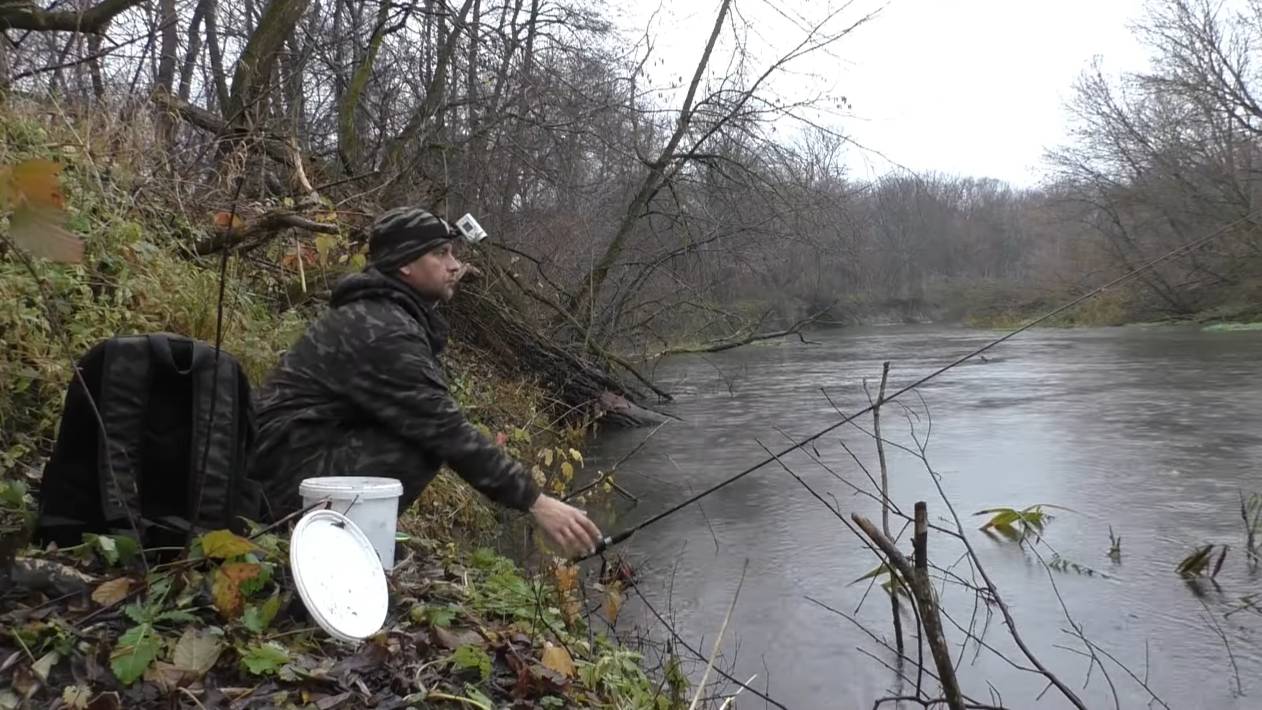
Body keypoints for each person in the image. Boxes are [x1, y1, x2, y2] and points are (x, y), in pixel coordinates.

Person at [248, 206, 602, 557]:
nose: (454, 265)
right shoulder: (382, 329)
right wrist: (536, 502)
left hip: (290, 465)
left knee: (419, 436)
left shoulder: (381, 314)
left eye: (453, 253)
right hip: (279, 485)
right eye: (440, 253)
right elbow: (446, 430)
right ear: (404, 264)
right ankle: (324, 546)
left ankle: (353, 538)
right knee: (421, 444)